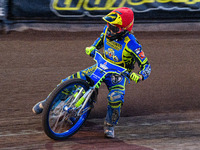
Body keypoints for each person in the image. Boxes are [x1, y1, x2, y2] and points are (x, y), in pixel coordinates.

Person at [32, 7, 151, 138]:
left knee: (115, 98)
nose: (110, 30)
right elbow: (100, 40)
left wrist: (139, 76)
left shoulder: (133, 44)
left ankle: (109, 125)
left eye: (115, 28)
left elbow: (146, 66)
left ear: (125, 29)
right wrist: (93, 47)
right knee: (70, 80)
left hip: (118, 75)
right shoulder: (108, 30)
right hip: (102, 65)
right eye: (109, 26)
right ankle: (47, 102)